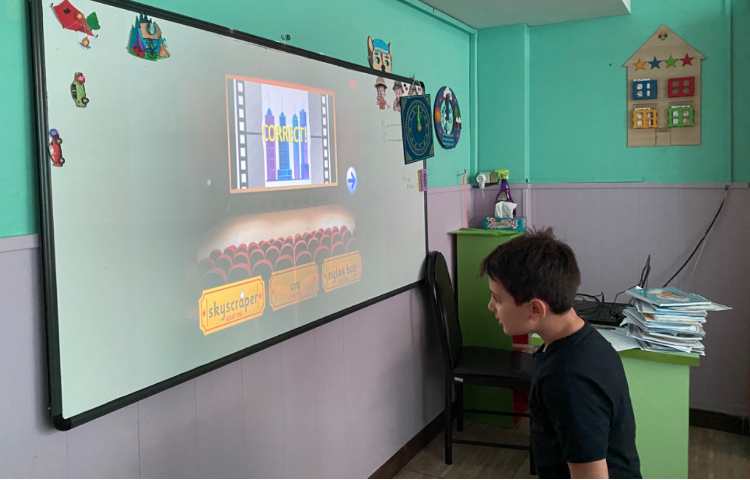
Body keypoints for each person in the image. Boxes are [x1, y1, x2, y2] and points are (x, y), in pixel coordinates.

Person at [481, 228, 641, 479]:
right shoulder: (578, 339)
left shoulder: (568, 379)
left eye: (497, 299)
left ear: (535, 309)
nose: (491, 306)